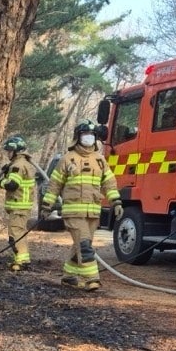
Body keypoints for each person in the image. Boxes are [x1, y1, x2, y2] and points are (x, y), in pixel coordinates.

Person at [41, 120, 121, 291]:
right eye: (85, 135)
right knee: (85, 245)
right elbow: (54, 184)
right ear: (78, 137)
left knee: (81, 244)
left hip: (93, 212)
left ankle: (69, 275)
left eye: (92, 135)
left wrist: (116, 201)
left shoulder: (100, 160)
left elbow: (109, 182)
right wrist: (47, 206)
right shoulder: (67, 159)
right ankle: (92, 278)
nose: (89, 138)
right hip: (73, 212)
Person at [0, 135, 37, 271]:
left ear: (15, 151)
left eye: (9, 151)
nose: (8, 154)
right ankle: (22, 259)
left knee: (15, 235)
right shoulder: (24, 164)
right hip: (22, 206)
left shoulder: (18, 165)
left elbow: (12, 185)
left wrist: (0, 182)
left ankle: (21, 261)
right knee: (20, 233)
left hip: (18, 205)